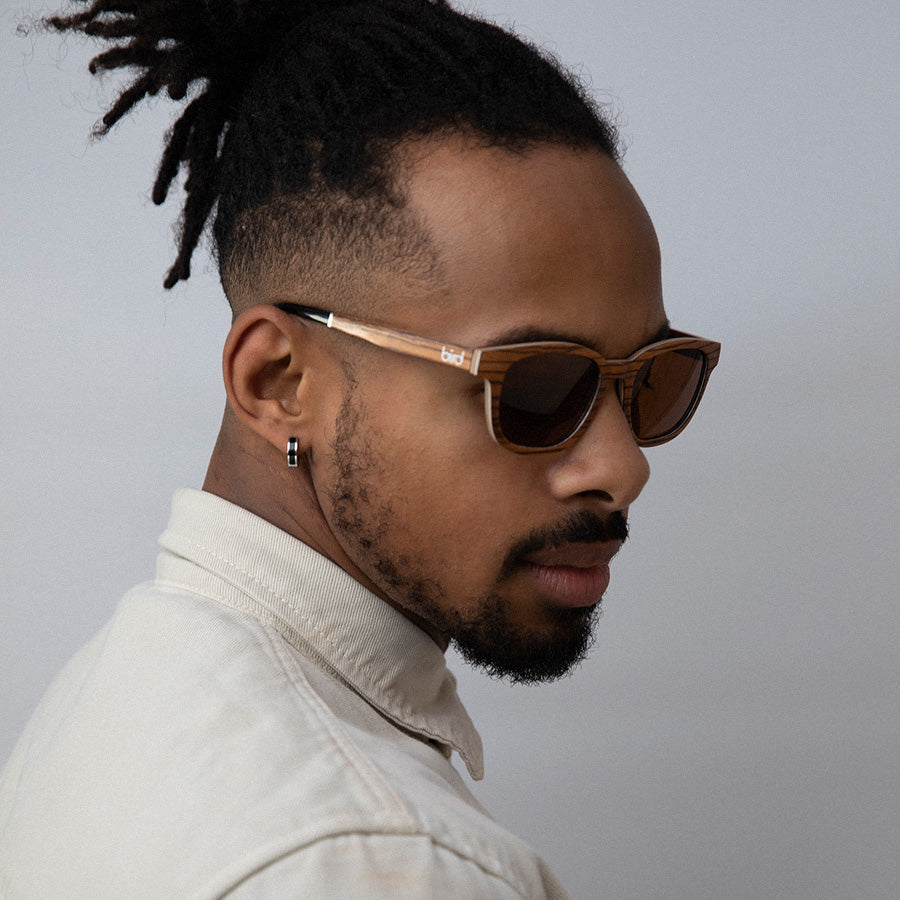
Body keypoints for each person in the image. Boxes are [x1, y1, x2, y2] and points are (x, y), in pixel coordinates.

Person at [0, 0, 719, 896]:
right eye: (535, 385)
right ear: (278, 383)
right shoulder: (381, 860)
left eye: (652, 379)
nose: (623, 467)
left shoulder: (114, 695)